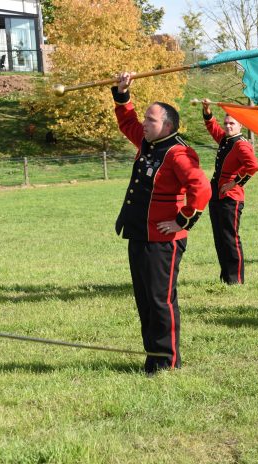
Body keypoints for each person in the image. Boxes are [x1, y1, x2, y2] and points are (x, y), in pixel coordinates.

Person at [111, 72, 211, 374]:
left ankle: (167, 361)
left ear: (167, 125)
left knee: (160, 300)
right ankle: (153, 358)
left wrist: (182, 219)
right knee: (144, 300)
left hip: (163, 240)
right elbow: (127, 122)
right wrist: (123, 94)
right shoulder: (148, 143)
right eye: (146, 118)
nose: (144, 123)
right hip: (139, 233)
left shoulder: (178, 153)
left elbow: (201, 189)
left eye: (151, 120)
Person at [201, 99, 258, 284]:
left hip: (230, 198)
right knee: (219, 238)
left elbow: (253, 166)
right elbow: (213, 128)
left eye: (231, 123)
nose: (227, 126)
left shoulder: (241, 144)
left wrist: (234, 183)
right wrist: (207, 110)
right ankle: (226, 276)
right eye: (226, 123)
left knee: (230, 238)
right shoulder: (226, 139)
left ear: (240, 125)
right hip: (216, 195)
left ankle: (236, 279)